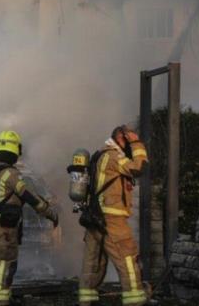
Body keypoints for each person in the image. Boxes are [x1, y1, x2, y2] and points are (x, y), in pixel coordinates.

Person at [0, 130, 58, 306]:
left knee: (0, 263)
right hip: (5, 227)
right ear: (15, 149)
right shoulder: (9, 174)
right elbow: (29, 196)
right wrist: (49, 212)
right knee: (3, 264)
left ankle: (2, 297)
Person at [78, 125, 150, 306]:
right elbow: (139, 168)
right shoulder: (113, 155)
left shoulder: (99, 155)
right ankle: (135, 299)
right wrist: (137, 143)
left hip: (95, 217)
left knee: (94, 261)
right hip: (111, 218)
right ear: (121, 138)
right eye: (128, 140)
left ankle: (87, 300)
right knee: (127, 256)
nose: (130, 146)